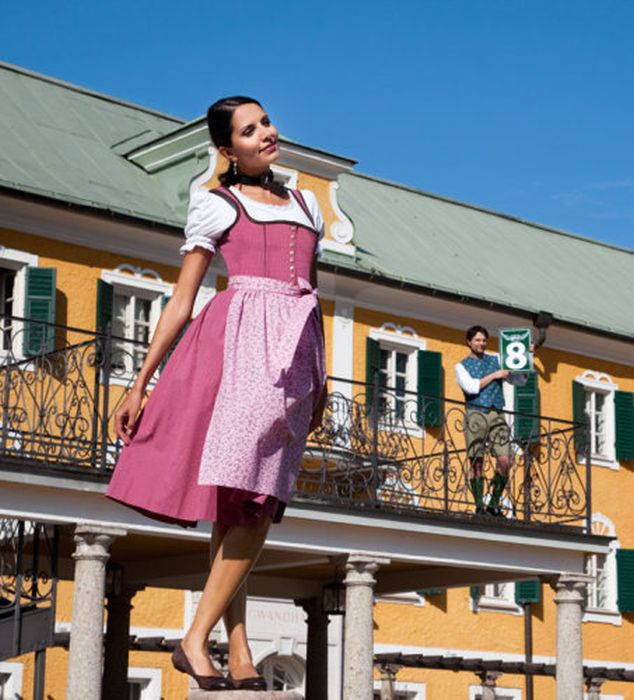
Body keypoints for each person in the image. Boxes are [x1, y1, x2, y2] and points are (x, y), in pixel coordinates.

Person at [105, 96, 327, 691]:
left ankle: (241, 649)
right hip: (239, 349)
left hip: (296, 355)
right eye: (249, 131)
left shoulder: (307, 203)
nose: (266, 134)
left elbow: (313, 293)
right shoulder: (216, 203)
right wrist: (140, 381)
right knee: (255, 500)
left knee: (241, 505)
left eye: (267, 122)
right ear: (229, 150)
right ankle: (195, 639)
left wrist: (321, 377)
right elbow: (182, 299)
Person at [454, 325, 530, 517]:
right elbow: (471, 387)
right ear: (469, 342)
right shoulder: (461, 366)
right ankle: (479, 504)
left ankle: (494, 502)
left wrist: (526, 358)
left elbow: (519, 381)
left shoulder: (497, 359)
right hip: (475, 413)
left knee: (506, 459)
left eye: (484, 340)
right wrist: (495, 375)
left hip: (497, 413)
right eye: (478, 340)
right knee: (476, 461)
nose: (481, 343)